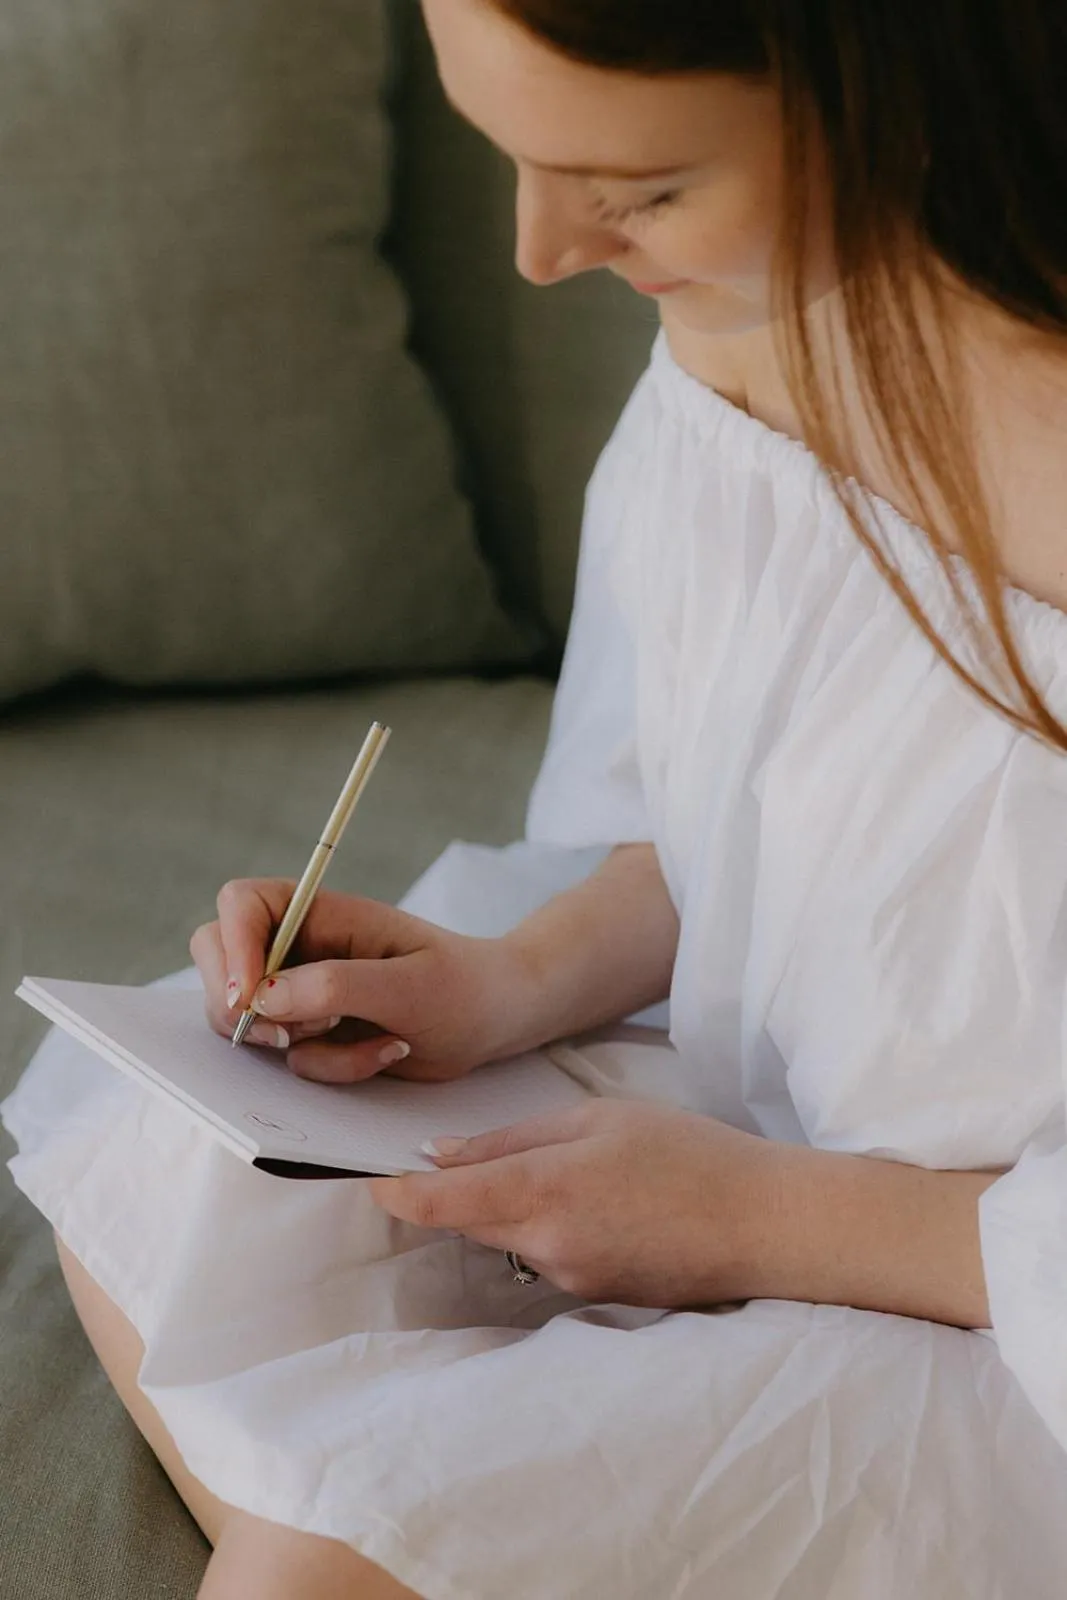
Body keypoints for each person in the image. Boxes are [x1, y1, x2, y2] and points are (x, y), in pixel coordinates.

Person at [5, 1, 1067, 1595]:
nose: (542, 252)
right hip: (742, 1120)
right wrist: (508, 982)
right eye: (508, 155)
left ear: (920, 89)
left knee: (310, 1567)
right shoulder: (742, 307)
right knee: (155, 1160)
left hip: (1003, 1308)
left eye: (639, 190)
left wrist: (764, 1226)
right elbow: (738, 829)